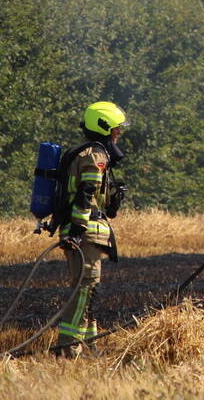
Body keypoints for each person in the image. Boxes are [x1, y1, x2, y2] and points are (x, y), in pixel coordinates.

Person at [56, 101, 128, 356]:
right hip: (85, 233)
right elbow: (87, 192)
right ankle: (68, 347)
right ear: (105, 126)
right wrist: (78, 229)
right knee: (84, 289)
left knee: (89, 290)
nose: (119, 133)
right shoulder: (95, 155)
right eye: (117, 129)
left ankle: (90, 346)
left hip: (81, 232)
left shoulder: (84, 152)